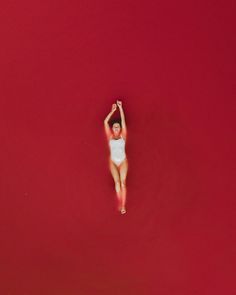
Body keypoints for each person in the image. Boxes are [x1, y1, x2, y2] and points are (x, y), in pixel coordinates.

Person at [104, 100, 128, 214]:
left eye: (118, 127)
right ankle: (119, 201)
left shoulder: (123, 136)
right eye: (114, 127)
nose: (116, 128)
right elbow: (105, 122)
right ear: (112, 129)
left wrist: (120, 108)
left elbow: (123, 122)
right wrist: (112, 111)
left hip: (123, 161)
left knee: (123, 183)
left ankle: (123, 205)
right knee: (117, 183)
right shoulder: (110, 137)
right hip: (113, 162)